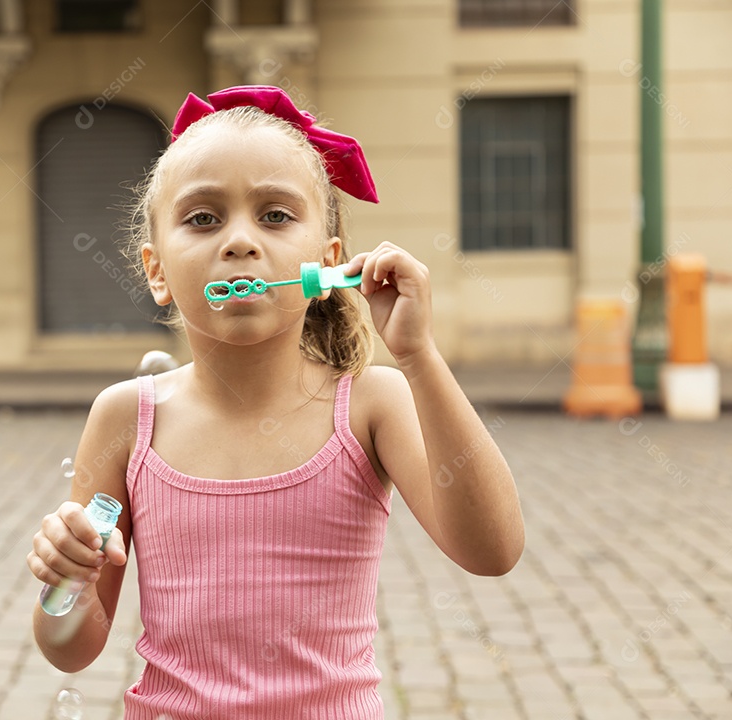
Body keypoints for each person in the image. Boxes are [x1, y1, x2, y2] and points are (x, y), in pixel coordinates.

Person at [28, 86, 524, 718]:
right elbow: (70, 651)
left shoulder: (371, 402)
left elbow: (494, 551)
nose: (239, 241)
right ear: (157, 271)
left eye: (275, 215)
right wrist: (67, 577)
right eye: (203, 218)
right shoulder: (126, 416)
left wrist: (419, 356)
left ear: (330, 263)